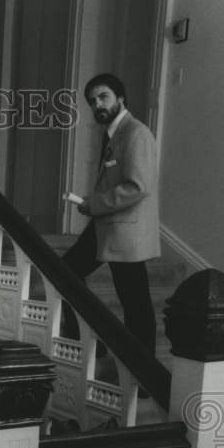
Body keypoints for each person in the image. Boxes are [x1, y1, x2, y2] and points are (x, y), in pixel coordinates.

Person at [62, 72, 160, 360]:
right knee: (65, 273)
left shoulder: (136, 133)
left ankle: (143, 372)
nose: (98, 105)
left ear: (121, 98)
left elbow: (138, 186)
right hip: (106, 226)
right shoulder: (114, 133)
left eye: (103, 97)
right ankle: (93, 342)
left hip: (124, 232)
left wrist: (95, 204)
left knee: (136, 304)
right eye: (93, 101)